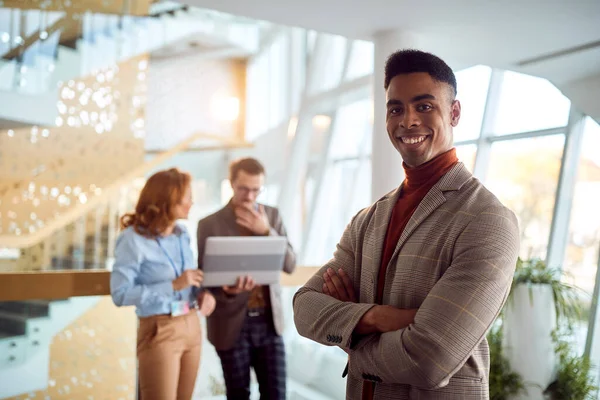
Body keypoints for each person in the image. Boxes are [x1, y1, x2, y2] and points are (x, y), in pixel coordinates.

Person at [293, 49, 520, 399]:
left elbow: (430, 359)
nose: (408, 120)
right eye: (395, 108)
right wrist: (381, 317)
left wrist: (349, 329)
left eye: (424, 106)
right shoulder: (368, 220)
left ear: (454, 112)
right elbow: (305, 307)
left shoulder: (487, 220)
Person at [110, 168, 216, 400]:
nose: (191, 202)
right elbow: (120, 294)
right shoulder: (132, 240)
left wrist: (203, 293)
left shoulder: (182, 234)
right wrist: (172, 285)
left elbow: (190, 279)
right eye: (187, 196)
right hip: (160, 328)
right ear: (168, 199)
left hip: (191, 323)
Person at [197, 157, 296, 400]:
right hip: (231, 323)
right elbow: (204, 278)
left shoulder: (271, 216)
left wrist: (265, 231)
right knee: (238, 394)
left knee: (276, 394)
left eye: (256, 190)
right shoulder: (209, 224)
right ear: (231, 184)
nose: (250, 196)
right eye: (244, 189)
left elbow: (290, 265)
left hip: (269, 322)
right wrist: (227, 291)